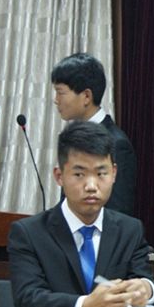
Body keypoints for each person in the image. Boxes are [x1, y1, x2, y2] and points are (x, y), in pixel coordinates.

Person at [7, 121, 154, 307]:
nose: (91, 185)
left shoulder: (129, 229)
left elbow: (146, 280)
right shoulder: (29, 233)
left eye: (101, 173)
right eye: (79, 174)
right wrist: (86, 306)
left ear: (114, 173)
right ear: (59, 176)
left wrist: (146, 289)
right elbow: (29, 300)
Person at [51, 52, 137, 216]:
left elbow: (118, 212)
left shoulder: (117, 143)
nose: (56, 100)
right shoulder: (72, 138)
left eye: (60, 92)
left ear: (86, 96)